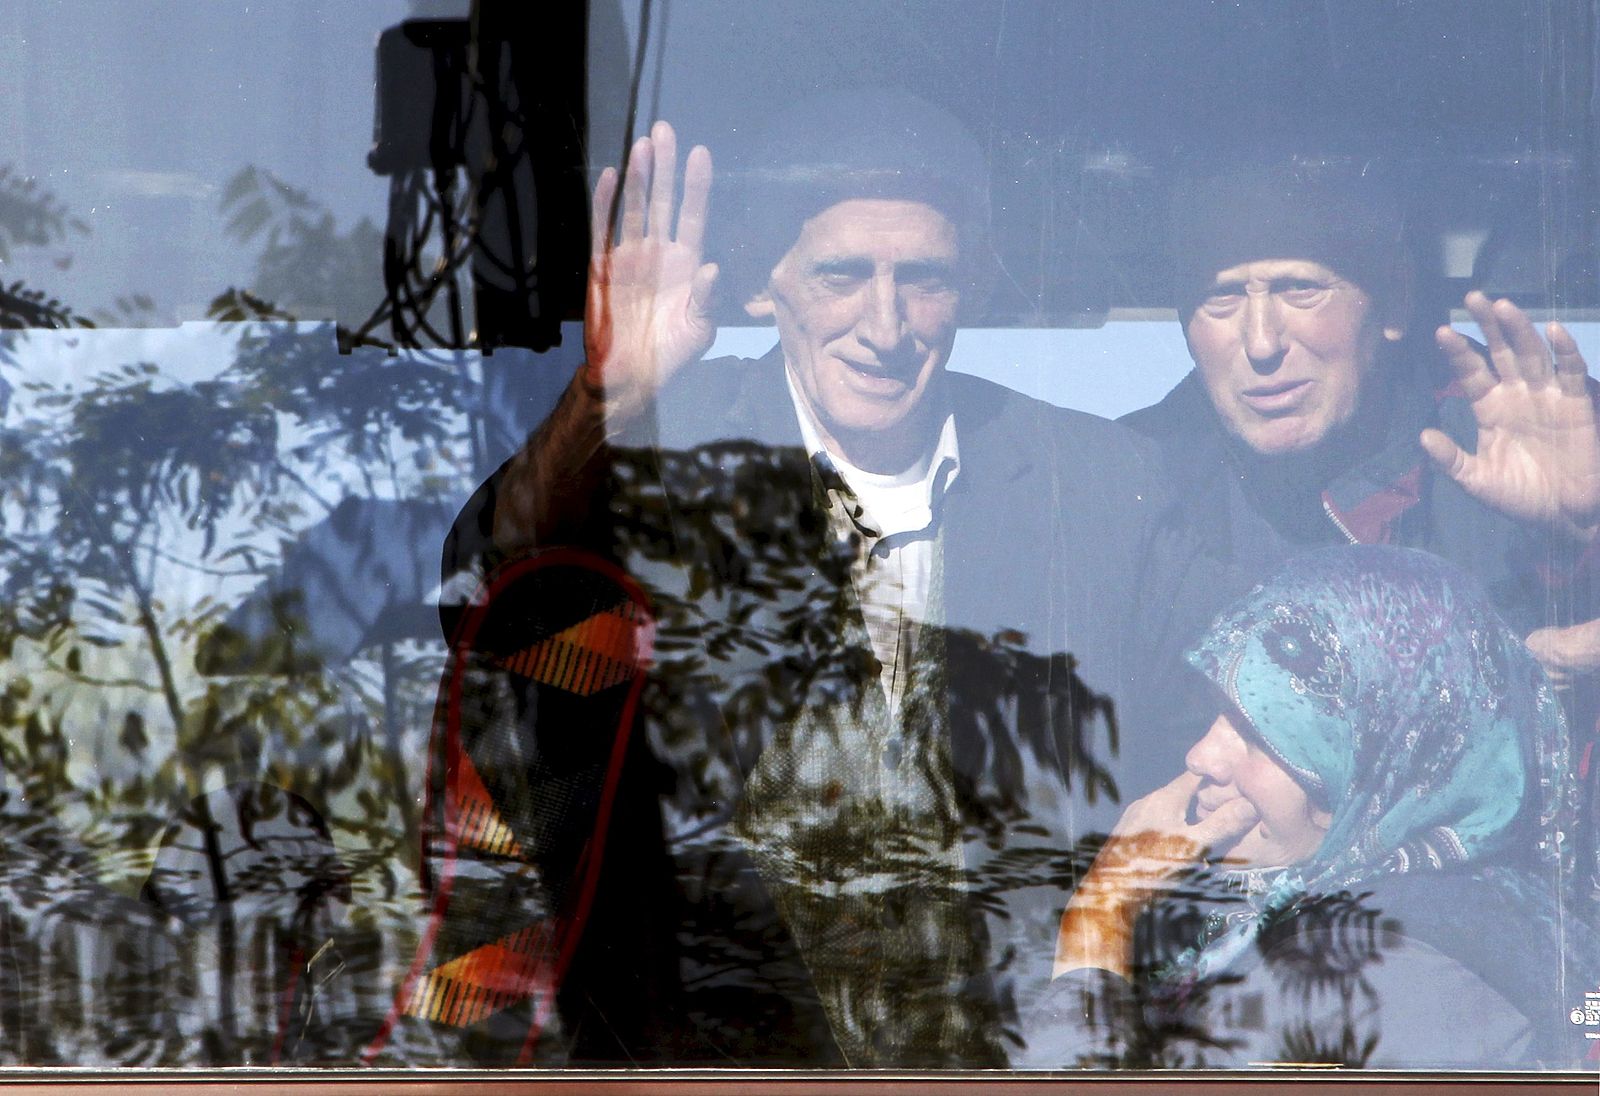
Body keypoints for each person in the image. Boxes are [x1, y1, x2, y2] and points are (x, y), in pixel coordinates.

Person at [431, 89, 1211, 1067]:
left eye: (921, 278)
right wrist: (612, 395)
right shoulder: (668, 450)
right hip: (728, 1061)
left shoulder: (1097, 482)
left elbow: (1215, 751)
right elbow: (479, 599)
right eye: (844, 273)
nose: (884, 323)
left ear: (970, 284)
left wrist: (1102, 934)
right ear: (769, 286)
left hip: (1016, 1059)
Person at [1026, 546, 1593, 1070]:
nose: (1201, 755)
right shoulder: (1478, 906)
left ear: (1378, 762)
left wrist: (1100, 918)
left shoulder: (1357, 980)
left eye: (1259, 733)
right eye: (1215, 713)